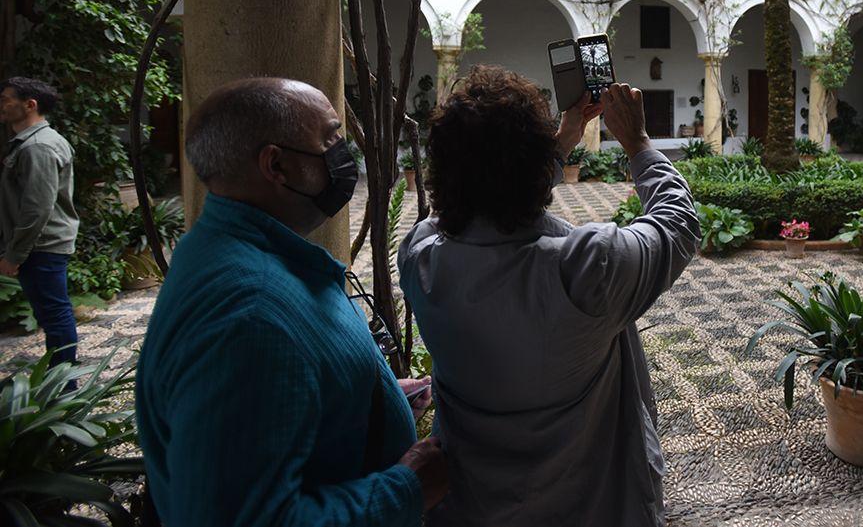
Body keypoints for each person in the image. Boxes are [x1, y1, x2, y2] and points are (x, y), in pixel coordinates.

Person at [136, 77, 447, 527]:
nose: (343, 153)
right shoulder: (250, 316)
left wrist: (364, 398)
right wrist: (408, 488)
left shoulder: (232, 248)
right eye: (330, 138)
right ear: (276, 166)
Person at [398, 66, 700, 527]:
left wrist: (557, 144)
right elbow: (678, 224)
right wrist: (637, 144)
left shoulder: (421, 261)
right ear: (533, 163)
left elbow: (465, 209)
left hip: (472, 506)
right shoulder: (586, 269)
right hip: (593, 506)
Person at [0, 77, 80, 368]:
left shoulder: (38, 147)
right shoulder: (32, 143)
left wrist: (14, 254)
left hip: (41, 246)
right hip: (41, 244)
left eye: (6, 98)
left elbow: (37, 208)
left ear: (29, 105)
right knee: (53, 315)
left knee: (55, 316)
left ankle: (64, 390)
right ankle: (60, 384)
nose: (2, 104)